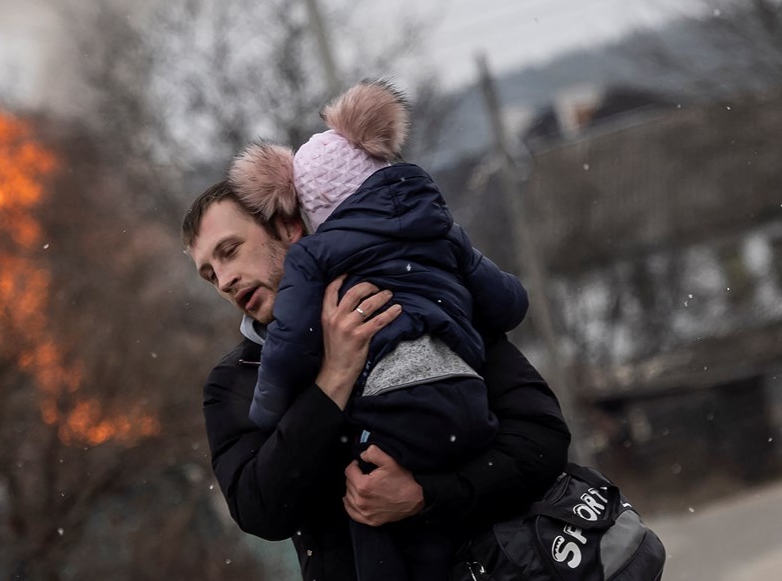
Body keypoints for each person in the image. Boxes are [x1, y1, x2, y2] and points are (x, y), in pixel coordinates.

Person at [183, 180, 571, 580]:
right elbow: (260, 510)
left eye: (230, 252)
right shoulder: (237, 380)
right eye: (210, 275)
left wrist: (426, 496)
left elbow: (542, 438)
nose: (225, 280)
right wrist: (334, 378)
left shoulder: (415, 296)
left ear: (287, 228)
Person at [225, 80, 528, 580]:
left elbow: (292, 343)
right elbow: (510, 303)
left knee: (367, 509)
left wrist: (267, 405)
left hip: (396, 414)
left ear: (306, 210)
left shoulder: (315, 255)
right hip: (471, 405)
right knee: (457, 525)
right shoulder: (442, 232)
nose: (226, 279)